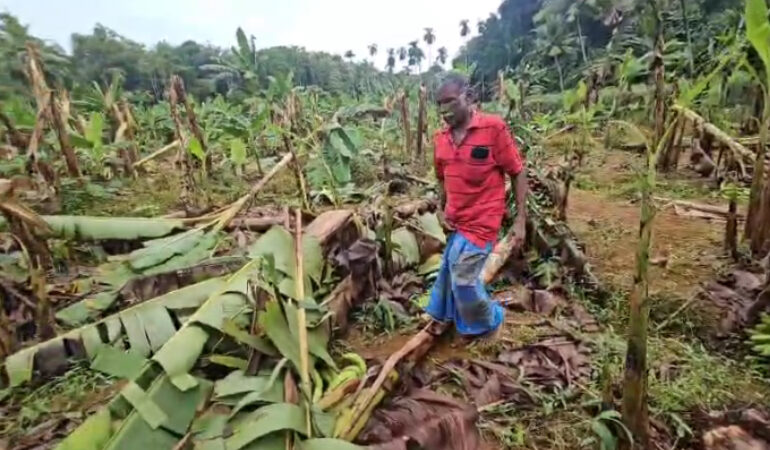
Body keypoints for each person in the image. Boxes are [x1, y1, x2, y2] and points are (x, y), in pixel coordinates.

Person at [425, 72, 528, 337]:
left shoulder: (493, 128)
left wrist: (519, 220)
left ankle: (492, 320)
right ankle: (447, 316)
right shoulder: (440, 139)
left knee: (465, 280)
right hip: (455, 221)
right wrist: (439, 208)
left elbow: (517, 171)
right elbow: (442, 178)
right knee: (449, 269)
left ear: (468, 97)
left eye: (450, 101)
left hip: (483, 221)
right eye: (439, 104)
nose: (444, 110)